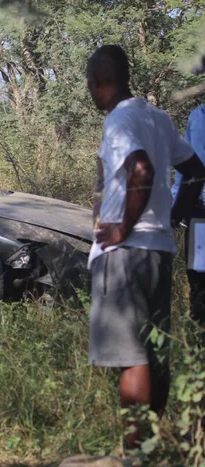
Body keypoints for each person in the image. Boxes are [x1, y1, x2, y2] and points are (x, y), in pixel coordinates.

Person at [86, 44, 205, 449]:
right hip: (157, 250)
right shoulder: (158, 118)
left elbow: (141, 169)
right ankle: (151, 445)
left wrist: (122, 229)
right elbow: (195, 171)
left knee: (131, 357)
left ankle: (135, 453)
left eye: (90, 83)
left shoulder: (118, 121)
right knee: (154, 352)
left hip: (125, 254)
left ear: (99, 82)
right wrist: (171, 218)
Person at [172, 104, 205, 337]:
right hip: (199, 215)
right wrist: (177, 210)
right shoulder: (197, 116)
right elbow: (185, 170)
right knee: (199, 284)